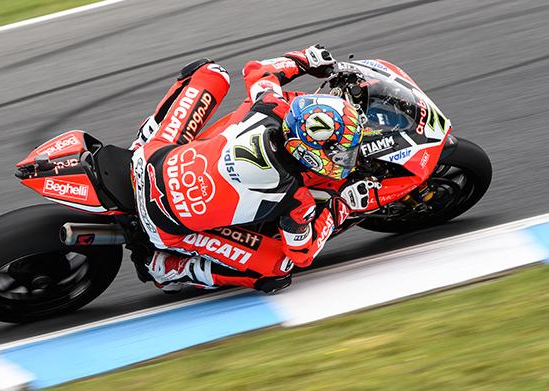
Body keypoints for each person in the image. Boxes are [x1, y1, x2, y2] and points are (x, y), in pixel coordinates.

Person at [130, 45, 370, 293]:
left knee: (211, 73)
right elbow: (301, 254)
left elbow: (257, 70)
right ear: (311, 155)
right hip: (163, 226)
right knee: (279, 268)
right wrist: (342, 207)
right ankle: (170, 268)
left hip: (148, 160)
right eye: (338, 152)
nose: (343, 157)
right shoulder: (297, 199)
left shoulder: (269, 106)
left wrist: (304, 59)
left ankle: (145, 137)